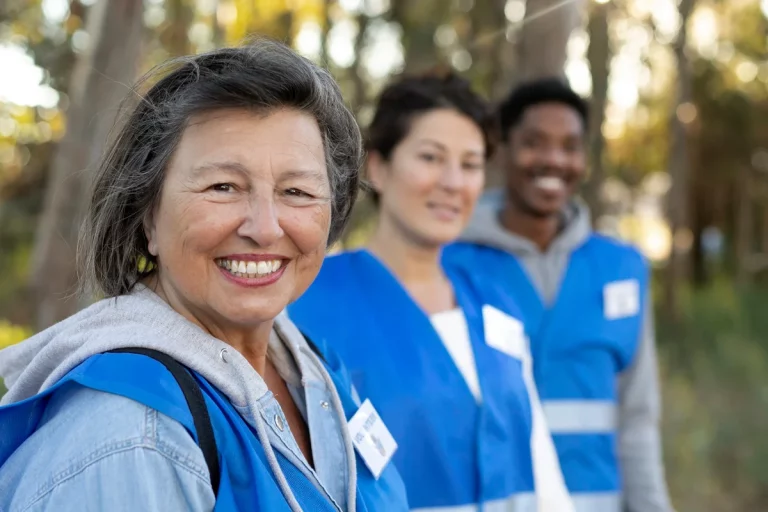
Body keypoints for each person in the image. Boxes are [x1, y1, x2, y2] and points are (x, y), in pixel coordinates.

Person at [0, 40, 408, 512]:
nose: (265, 228)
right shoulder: (133, 438)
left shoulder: (313, 369)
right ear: (147, 215)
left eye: (296, 191)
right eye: (223, 187)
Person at [288, 71, 573, 512]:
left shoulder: (497, 307)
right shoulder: (305, 303)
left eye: (471, 164)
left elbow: (541, 468)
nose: (453, 182)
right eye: (431, 157)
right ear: (378, 168)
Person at [443, 78, 673, 512]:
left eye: (570, 146)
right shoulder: (450, 263)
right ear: (503, 149)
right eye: (534, 143)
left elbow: (638, 418)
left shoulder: (622, 268)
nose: (554, 160)